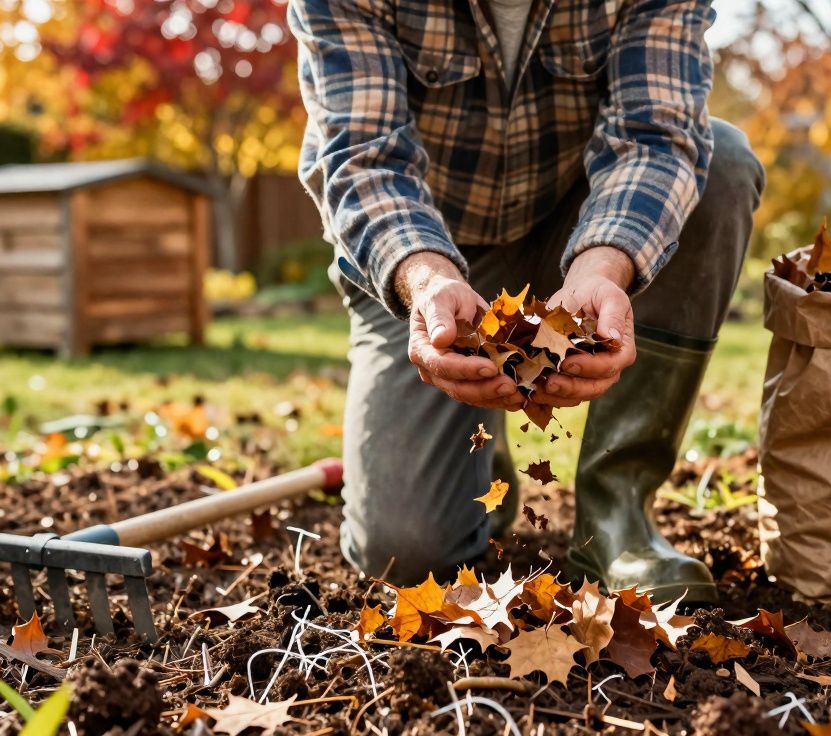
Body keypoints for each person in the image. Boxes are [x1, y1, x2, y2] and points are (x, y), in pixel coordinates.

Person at [289, 0, 764, 602]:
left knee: (723, 163)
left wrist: (602, 266)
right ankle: (478, 461)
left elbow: (656, 136)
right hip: (426, 250)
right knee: (405, 552)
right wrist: (428, 282)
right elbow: (363, 157)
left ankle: (618, 511)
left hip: (580, 226)